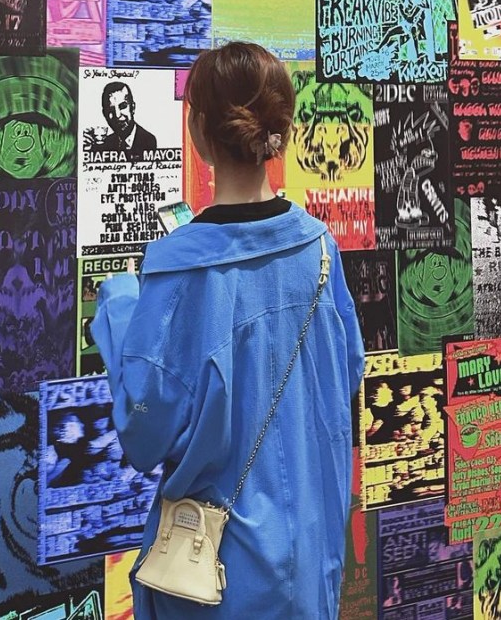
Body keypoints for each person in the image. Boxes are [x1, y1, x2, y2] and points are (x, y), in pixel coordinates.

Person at [91, 42, 364, 618]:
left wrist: (119, 308)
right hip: (311, 550)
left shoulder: (178, 271)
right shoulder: (320, 250)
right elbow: (347, 376)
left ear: (198, 131)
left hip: (217, 572)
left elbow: (144, 432)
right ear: (280, 129)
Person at [94, 82, 157, 159]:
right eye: (111, 109)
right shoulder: (105, 144)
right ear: (104, 114)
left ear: (133, 108)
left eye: (123, 106)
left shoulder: (148, 140)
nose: (117, 115)